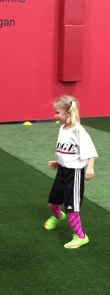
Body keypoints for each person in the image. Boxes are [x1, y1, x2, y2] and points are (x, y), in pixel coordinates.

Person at [44, 95, 98, 249]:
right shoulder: (62, 128)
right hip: (62, 171)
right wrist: (59, 162)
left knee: (71, 208)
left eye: (57, 113)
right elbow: (66, 150)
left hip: (74, 174)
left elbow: (90, 151)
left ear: (68, 113)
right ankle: (58, 216)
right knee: (52, 202)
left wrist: (90, 167)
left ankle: (81, 236)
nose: (55, 115)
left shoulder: (78, 130)